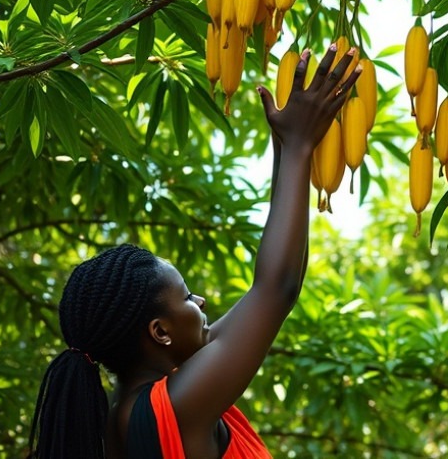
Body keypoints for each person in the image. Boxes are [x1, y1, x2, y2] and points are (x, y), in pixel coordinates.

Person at [28, 45, 362, 458]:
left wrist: (286, 146)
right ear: (160, 332)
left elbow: (277, 286)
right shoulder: (173, 407)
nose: (201, 301)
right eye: (186, 297)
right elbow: (276, 290)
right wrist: (296, 147)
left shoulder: (133, 412)